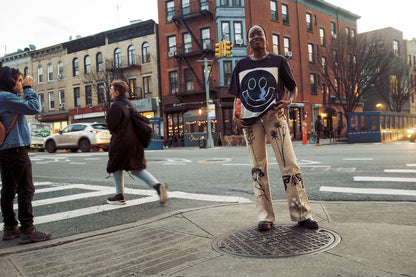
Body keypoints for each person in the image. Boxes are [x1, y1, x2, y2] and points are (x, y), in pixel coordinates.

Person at [228, 25, 318, 231]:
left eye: (260, 33)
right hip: (250, 122)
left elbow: (293, 87)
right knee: (257, 169)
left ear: (266, 39)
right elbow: (238, 95)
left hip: (274, 117)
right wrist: (236, 116)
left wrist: (288, 101)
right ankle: (265, 216)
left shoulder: (279, 61)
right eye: (252, 35)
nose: (256, 37)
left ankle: (302, 214)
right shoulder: (241, 65)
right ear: (248, 42)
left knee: (289, 164)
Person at [0, 66, 51, 243]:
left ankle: (10, 228)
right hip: (16, 149)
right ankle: (27, 230)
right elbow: (34, 107)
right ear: (9, 81)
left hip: (5, 150)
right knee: (26, 189)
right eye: (20, 81)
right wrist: (29, 89)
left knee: (8, 190)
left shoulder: (3, 97)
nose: (22, 84)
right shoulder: (6, 97)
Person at [106, 81, 167, 205]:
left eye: (112, 89)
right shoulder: (129, 104)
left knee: (116, 166)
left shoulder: (116, 106)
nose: (110, 92)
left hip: (122, 142)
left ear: (117, 92)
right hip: (135, 142)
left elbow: (112, 126)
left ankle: (119, 195)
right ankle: (158, 186)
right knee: (136, 168)